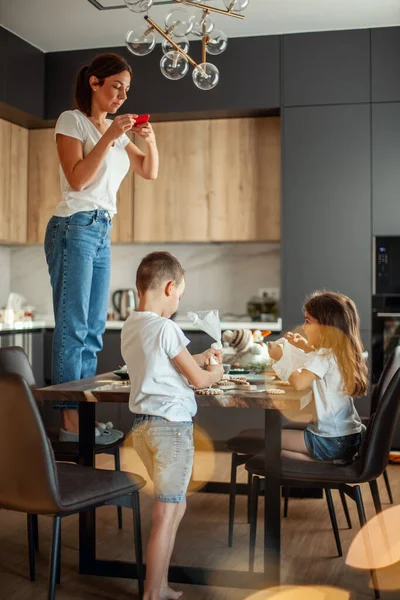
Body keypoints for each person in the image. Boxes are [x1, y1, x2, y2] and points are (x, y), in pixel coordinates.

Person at [44, 53, 159, 443]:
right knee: (73, 329)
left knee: (93, 331)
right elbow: (77, 179)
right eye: (116, 87)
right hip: (74, 226)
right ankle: (69, 427)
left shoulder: (116, 131)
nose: (122, 96)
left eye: (127, 90)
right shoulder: (71, 121)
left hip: (101, 230)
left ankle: (83, 422)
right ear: (94, 83)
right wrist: (109, 136)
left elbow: (148, 170)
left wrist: (150, 141)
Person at [121, 251, 224, 600]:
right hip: (172, 431)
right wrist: (216, 371)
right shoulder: (167, 328)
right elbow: (198, 381)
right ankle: (153, 593)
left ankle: (160, 585)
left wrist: (198, 359)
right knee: (167, 513)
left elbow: (165, 365)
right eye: (180, 294)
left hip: (144, 429)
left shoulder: (132, 326)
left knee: (174, 506)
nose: (179, 301)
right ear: (169, 287)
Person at [268, 290, 368, 462]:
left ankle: (320, 465)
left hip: (330, 441)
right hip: (350, 437)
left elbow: (299, 383)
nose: (304, 326)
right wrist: (305, 346)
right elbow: (321, 365)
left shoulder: (325, 356)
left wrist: (281, 358)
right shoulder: (341, 351)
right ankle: (320, 463)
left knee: (270, 439)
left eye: (308, 321)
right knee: (279, 450)